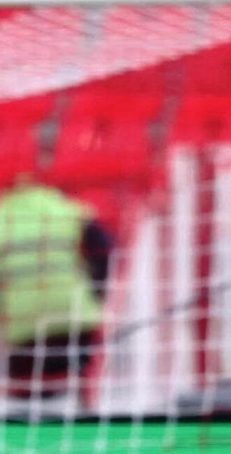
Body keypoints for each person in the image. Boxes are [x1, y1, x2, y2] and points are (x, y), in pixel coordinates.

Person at [0, 172, 111, 401]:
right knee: (81, 373)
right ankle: (86, 404)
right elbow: (104, 246)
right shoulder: (66, 208)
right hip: (75, 316)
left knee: (28, 390)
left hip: (23, 324)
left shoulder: (3, 214)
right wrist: (97, 293)